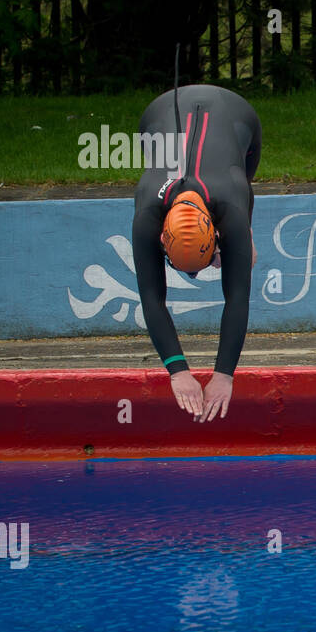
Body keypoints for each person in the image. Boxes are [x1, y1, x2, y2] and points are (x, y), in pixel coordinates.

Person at [133, 84, 259, 421]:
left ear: (216, 232)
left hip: (237, 116)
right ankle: (235, 246)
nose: (193, 276)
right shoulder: (147, 212)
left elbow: (238, 298)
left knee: (244, 240)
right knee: (240, 245)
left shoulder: (232, 202)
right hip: (158, 112)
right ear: (160, 236)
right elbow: (151, 296)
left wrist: (224, 376)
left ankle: (237, 241)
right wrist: (178, 371)